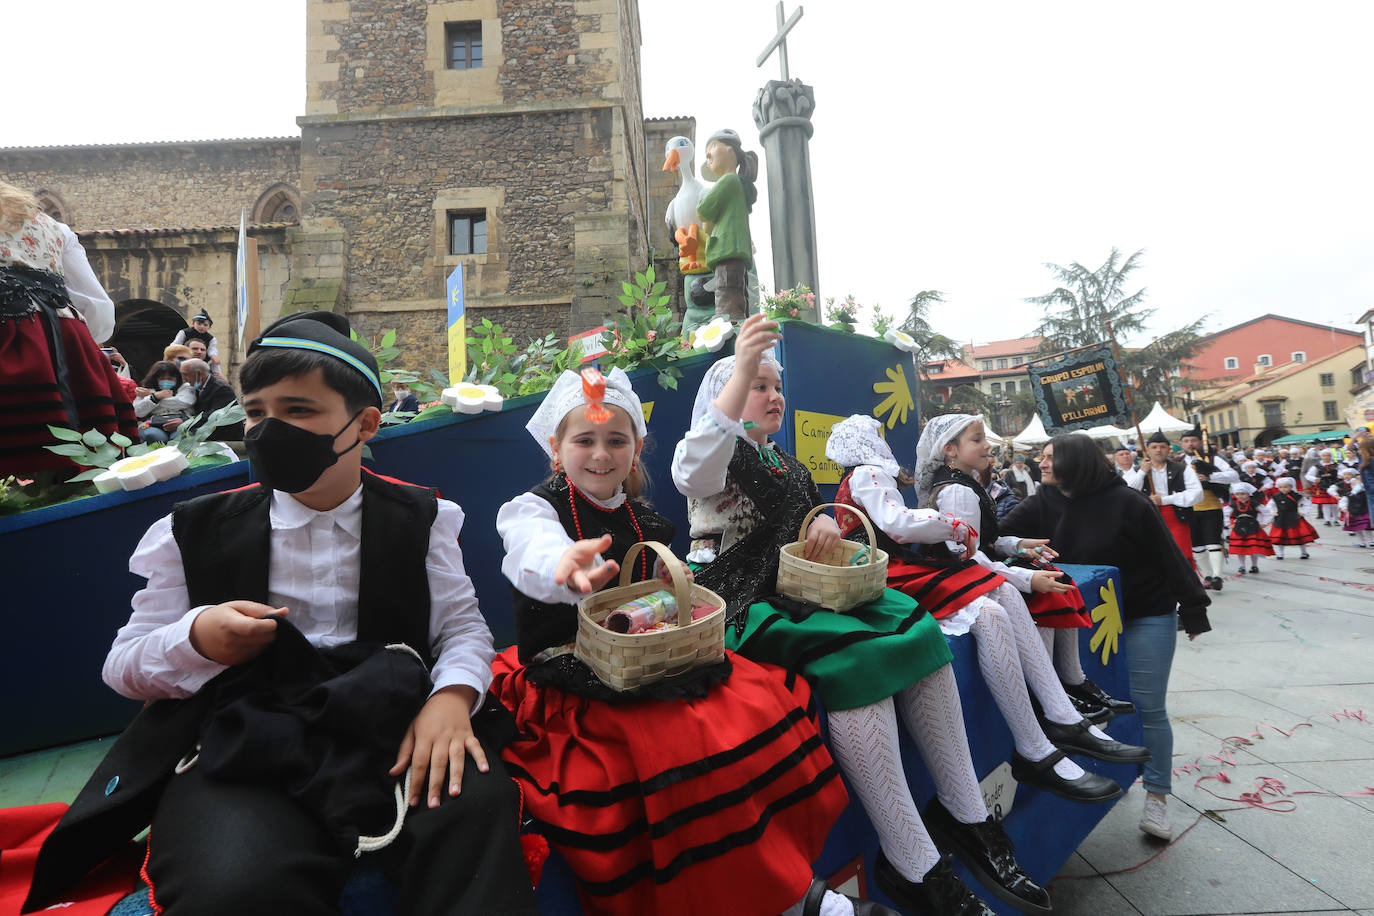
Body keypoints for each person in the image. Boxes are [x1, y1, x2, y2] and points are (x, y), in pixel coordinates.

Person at [25, 311, 535, 916]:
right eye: (258, 412)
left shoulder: (422, 519)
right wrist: (197, 637)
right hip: (250, 736)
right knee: (235, 885)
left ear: (364, 424)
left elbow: (461, 630)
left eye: (299, 411)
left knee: (473, 822)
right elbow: (124, 666)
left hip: (390, 722)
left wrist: (450, 701)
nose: (270, 430)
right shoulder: (192, 531)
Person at [671, 316, 1054, 916]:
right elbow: (693, 469)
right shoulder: (714, 451)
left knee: (920, 632)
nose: (773, 396)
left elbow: (803, 521)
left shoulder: (783, 460)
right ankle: (914, 862)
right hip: (744, 603)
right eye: (758, 385)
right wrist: (739, 366)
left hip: (807, 593)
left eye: (776, 386)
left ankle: (968, 817)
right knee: (857, 663)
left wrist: (827, 520)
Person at [489, 367, 881, 916]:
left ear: (635, 448)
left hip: (647, 660)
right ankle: (793, 900)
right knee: (679, 741)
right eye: (584, 440)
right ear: (556, 447)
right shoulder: (535, 510)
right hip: (575, 674)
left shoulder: (642, 519)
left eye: (615, 440)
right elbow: (530, 548)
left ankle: (789, 877)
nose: (600, 454)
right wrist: (562, 562)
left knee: (761, 700)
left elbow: (656, 593)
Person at [826, 412, 1145, 775]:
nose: (987, 446)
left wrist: (1007, 546)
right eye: (977, 439)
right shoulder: (888, 476)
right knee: (1007, 599)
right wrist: (956, 528)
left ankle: (1059, 709)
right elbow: (906, 526)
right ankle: (1053, 715)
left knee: (1013, 596)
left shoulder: (947, 481)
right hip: (890, 569)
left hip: (895, 565)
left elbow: (981, 539)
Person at [1001, 433, 1211, 843]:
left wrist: (1194, 607)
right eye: (1041, 458)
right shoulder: (1042, 500)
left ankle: (1157, 796)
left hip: (1145, 615)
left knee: (1148, 707)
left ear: (1076, 462)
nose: (1040, 465)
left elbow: (1170, 555)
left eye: (1049, 458)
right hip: (1082, 625)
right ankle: (1115, 776)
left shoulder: (1130, 502)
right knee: (1096, 710)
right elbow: (999, 536)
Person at [0, 180, 137, 478]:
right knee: (84, 472)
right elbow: (98, 308)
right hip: (66, 339)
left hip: (10, 341)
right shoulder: (53, 227)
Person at [695, 128, 757, 320]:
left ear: (731, 151)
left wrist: (707, 223)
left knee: (726, 295)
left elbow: (703, 209)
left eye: (713, 146)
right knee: (739, 294)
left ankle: (727, 324)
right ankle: (738, 323)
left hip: (726, 248)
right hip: (737, 251)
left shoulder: (729, 180)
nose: (708, 154)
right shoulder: (740, 186)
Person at [1124, 430, 1203, 577]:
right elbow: (1126, 492)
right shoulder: (1136, 470)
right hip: (1148, 517)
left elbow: (1197, 494)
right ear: (1147, 450)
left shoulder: (1182, 468)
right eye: (1154, 447)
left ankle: (1186, 587)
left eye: (1162, 446)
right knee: (1153, 553)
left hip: (1176, 516)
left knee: (1180, 553)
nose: (1158, 450)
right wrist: (1142, 472)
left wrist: (1165, 499)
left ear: (1169, 449)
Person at [1178, 427, 1238, 590]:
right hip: (1188, 508)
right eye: (1187, 441)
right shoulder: (1177, 463)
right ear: (1181, 444)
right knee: (1197, 546)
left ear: (1200, 442)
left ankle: (1218, 576)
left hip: (1211, 505)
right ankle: (1208, 576)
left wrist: (1210, 476)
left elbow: (1234, 476)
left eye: (1193, 441)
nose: (1190, 444)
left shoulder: (1213, 459)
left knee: (1213, 542)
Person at [176, 357, 244, 440]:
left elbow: (215, 415)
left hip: (222, 433)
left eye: (185, 374)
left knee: (183, 439)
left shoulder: (221, 389)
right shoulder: (195, 387)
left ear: (199, 374)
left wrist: (187, 422)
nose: (183, 378)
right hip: (202, 429)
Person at [132, 360, 196, 444]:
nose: (166, 381)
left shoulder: (186, 387)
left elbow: (182, 403)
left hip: (181, 422)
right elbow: (137, 412)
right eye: (162, 378)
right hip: (153, 424)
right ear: (155, 378)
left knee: (180, 438)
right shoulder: (146, 389)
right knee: (154, 436)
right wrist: (154, 397)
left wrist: (151, 395)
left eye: (170, 378)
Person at [1226, 482, 1275, 574]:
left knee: (1253, 548)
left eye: (1243, 494)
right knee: (1240, 549)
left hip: (1253, 528)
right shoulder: (1233, 505)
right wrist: (1228, 524)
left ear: (1249, 494)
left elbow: (1267, 512)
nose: (1240, 496)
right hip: (1238, 528)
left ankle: (1254, 565)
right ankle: (1242, 566)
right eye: (1238, 494)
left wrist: (1264, 523)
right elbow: (1225, 514)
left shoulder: (1254, 504)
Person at [1267, 477, 1317, 559]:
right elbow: (1269, 506)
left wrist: (1303, 512)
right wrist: (1272, 512)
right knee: (1280, 538)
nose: (1283, 489)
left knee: (1301, 537)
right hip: (1281, 518)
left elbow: (1307, 503)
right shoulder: (1276, 496)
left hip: (1294, 518)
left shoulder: (1296, 496)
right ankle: (1280, 553)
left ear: (1291, 486)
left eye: (1285, 487)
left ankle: (1304, 552)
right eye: (1280, 487)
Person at [1335, 467, 1371, 547]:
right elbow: (1343, 501)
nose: (1356, 486)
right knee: (1357, 529)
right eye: (1353, 485)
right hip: (1353, 512)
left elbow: (1369, 500)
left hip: (1364, 511)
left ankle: (1371, 541)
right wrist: (1344, 508)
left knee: (1367, 527)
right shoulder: (1349, 494)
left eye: (1357, 484)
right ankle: (1362, 542)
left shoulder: (1364, 493)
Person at [1306, 449, 1342, 526]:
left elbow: (1343, 472)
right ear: (1321, 456)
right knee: (1325, 504)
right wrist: (1315, 479)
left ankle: (1335, 519)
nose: (1326, 457)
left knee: (1334, 504)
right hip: (1322, 486)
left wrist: (1341, 476)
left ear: (1331, 456)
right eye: (1324, 455)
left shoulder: (1337, 465)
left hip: (1334, 486)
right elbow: (1308, 475)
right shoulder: (1317, 466)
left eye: (1328, 455)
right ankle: (1327, 520)